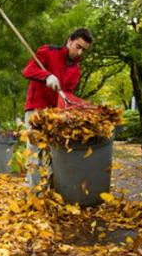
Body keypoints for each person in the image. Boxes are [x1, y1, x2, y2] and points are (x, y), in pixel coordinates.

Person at [22, 27, 93, 190]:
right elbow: (27, 70)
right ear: (69, 41)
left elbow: (67, 96)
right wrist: (47, 76)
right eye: (78, 46)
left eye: (84, 50)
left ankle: (49, 193)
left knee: (53, 156)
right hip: (36, 110)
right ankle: (34, 193)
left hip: (56, 115)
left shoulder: (76, 70)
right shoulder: (48, 52)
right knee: (34, 154)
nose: (80, 53)